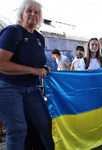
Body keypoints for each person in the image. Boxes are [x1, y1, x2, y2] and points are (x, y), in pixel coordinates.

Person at [0, 0, 54, 149]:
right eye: (29, 11)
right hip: (8, 88)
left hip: (31, 88)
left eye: (36, 12)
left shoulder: (39, 38)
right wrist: (33, 70)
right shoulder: (13, 32)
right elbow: (1, 64)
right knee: (17, 131)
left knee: (46, 125)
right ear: (21, 13)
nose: (33, 14)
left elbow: (29, 60)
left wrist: (41, 67)